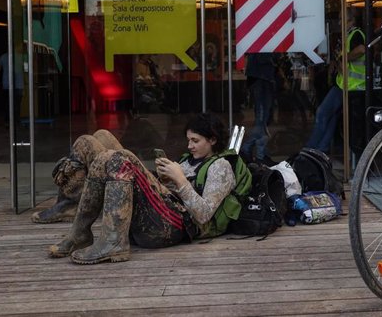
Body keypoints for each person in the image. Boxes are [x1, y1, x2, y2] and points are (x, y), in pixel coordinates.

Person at [47, 112, 251, 264]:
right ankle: (78, 229)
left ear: (213, 140)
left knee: (121, 159)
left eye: (195, 141)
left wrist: (180, 180)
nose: (189, 146)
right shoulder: (191, 160)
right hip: (161, 208)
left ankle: (114, 242)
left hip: (175, 225)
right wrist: (165, 180)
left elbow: (204, 215)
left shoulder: (221, 167)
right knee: (93, 140)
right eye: (188, 140)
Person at [306, 10, 365, 153]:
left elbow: (361, 49)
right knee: (332, 116)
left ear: (351, 21)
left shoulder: (356, 34)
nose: (339, 23)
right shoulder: (349, 35)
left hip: (350, 86)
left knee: (322, 113)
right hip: (345, 84)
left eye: (341, 19)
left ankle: (310, 149)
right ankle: (321, 148)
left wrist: (343, 58)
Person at [240, 52, 277, 163]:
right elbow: (266, 58)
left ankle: (256, 152)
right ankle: (256, 153)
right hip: (261, 77)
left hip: (261, 77)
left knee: (262, 119)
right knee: (261, 118)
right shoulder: (262, 43)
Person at [0, 43, 25, 126]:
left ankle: (9, 122)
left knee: (9, 104)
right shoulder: (21, 57)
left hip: (8, 84)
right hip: (16, 84)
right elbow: (25, 70)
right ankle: (15, 122)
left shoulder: (4, 56)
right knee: (16, 104)